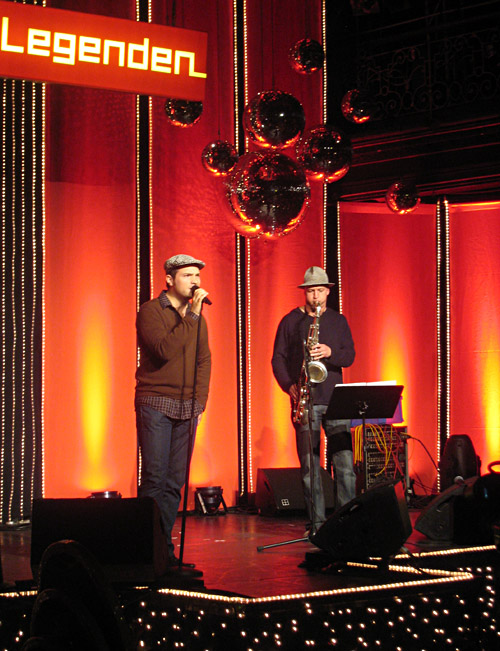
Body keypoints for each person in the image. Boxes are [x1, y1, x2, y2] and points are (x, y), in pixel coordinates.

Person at [135, 254, 211, 566]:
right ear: (169, 279)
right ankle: (143, 550)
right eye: (187, 275)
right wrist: (191, 317)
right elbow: (165, 350)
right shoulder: (151, 311)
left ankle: (163, 548)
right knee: (155, 478)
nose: (195, 281)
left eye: (197, 276)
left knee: (174, 480)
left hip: (187, 406)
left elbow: (204, 360)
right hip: (155, 402)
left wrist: (200, 400)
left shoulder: (198, 319)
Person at [271, 266, 356, 535]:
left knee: (344, 467)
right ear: (304, 293)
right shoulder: (290, 321)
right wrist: (289, 386)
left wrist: (329, 351)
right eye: (310, 291)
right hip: (306, 400)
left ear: (328, 292)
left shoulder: (338, 321)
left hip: (335, 400)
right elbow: (278, 359)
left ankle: (345, 523)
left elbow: (350, 356)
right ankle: (318, 526)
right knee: (310, 468)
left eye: (320, 290)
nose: (315, 296)